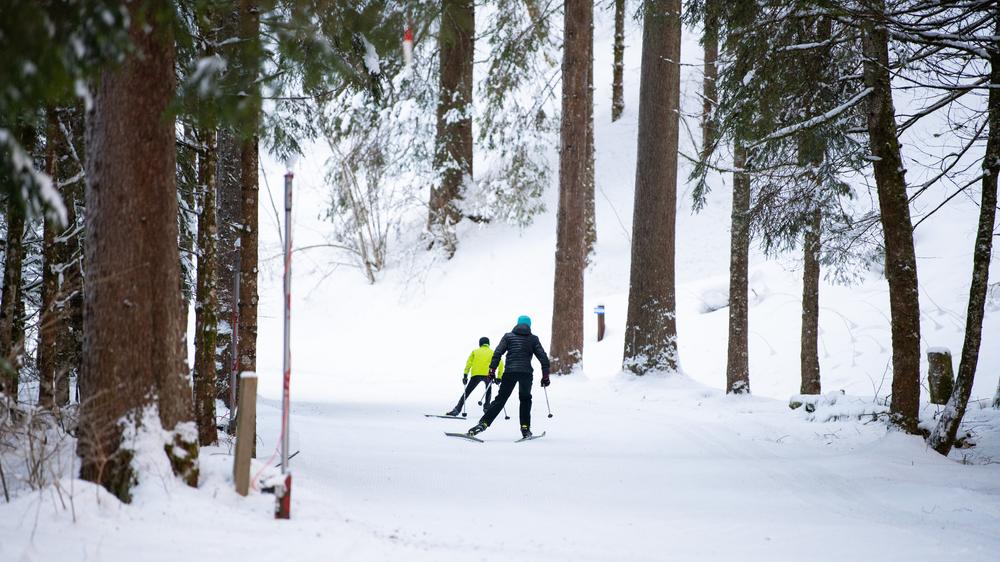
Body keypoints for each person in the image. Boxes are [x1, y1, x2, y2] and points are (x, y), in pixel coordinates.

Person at [467, 315, 550, 438]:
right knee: (525, 399)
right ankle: (525, 429)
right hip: (526, 374)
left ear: (517, 323)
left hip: (510, 372)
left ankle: (483, 424)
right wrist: (545, 376)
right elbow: (543, 358)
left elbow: (497, 353)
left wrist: (492, 371)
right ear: (529, 325)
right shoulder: (533, 339)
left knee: (500, 399)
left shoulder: (508, 336)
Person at [446, 337, 504, 416]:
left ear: (480, 343)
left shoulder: (475, 352)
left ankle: (457, 410)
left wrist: (465, 375)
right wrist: (499, 377)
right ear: (488, 344)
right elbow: (501, 365)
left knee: (467, 392)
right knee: (488, 391)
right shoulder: (493, 352)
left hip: (475, 375)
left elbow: (468, 363)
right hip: (488, 375)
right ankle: (487, 408)